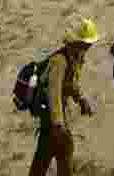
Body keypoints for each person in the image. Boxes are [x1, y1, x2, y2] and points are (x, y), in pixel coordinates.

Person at [27, 18, 98, 176]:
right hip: (50, 112)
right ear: (77, 42)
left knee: (48, 151)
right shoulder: (59, 61)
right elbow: (54, 92)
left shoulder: (75, 56)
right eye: (86, 43)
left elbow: (71, 83)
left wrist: (81, 100)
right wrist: (58, 123)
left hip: (55, 113)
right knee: (63, 148)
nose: (89, 46)